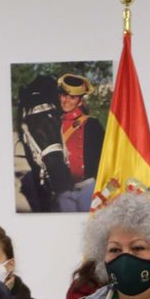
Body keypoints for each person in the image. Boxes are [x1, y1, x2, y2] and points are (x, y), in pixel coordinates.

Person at [56, 73, 104, 213]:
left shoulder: (92, 124)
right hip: (63, 190)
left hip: (88, 188)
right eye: (64, 95)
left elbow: (105, 157)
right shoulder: (52, 123)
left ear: (80, 101)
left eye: (72, 97)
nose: (66, 101)